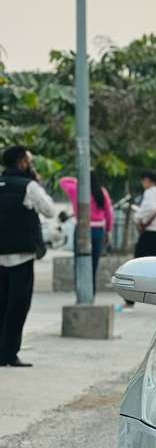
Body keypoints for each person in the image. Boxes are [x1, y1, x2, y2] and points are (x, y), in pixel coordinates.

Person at [0, 146, 56, 367]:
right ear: (21, 162)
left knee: (1, 304)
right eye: (28, 160)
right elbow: (50, 210)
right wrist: (36, 182)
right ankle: (9, 353)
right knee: (18, 305)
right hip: (21, 255)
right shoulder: (29, 186)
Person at [125, 171, 156, 306]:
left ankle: (129, 300)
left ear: (147, 180)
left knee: (135, 265)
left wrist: (138, 217)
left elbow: (150, 208)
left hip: (150, 234)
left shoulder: (150, 192)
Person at [59, 172, 114, 285]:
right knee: (93, 264)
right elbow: (109, 213)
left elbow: (63, 181)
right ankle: (91, 292)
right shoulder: (101, 192)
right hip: (97, 231)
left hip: (81, 229)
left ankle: (80, 292)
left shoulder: (75, 189)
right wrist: (108, 230)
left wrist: (77, 180)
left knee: (80, 262)